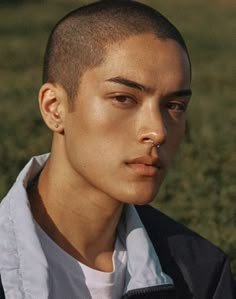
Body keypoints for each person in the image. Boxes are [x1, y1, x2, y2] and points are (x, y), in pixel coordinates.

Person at [0, 1, 235, 298]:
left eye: (174, 106)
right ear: (54, 108)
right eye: (124, 99)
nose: (157, 131)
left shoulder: (200, 275)